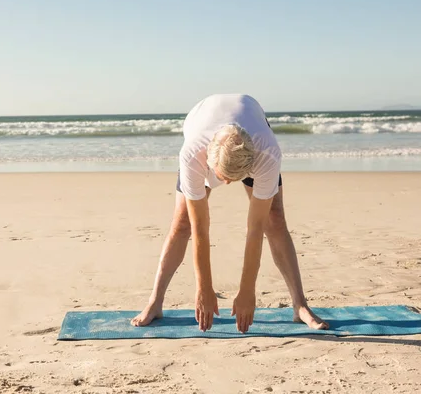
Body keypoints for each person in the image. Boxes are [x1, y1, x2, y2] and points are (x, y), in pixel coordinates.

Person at [131, 94, 329, 333]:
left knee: (274, 220)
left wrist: (248, 290)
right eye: (223, 178)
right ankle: (155, 302)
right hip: (204, 132)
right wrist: (204, 288)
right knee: (182, 223)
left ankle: (300, 305)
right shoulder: (193, 155)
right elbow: (200, 229)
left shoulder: (267, 154)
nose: (226, 185)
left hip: (249, 134)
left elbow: (255, 228)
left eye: (233, 179)